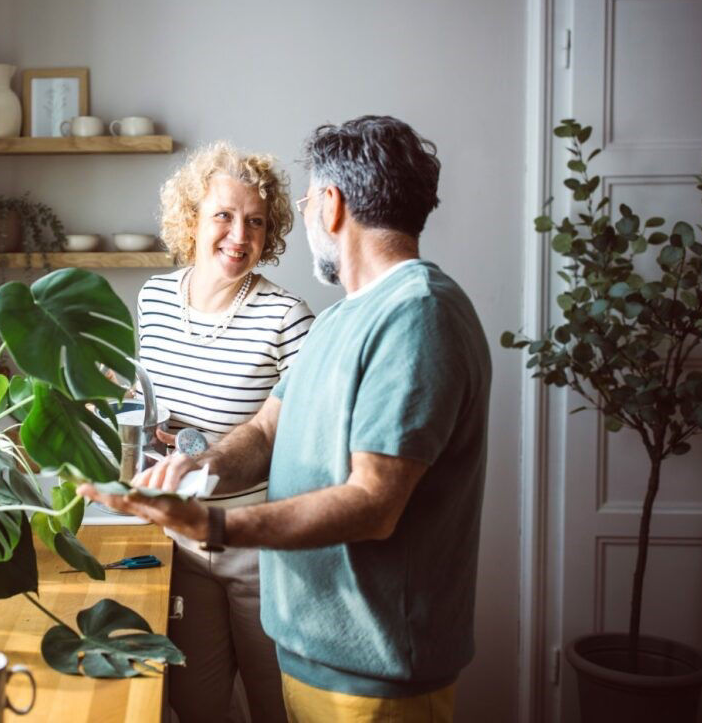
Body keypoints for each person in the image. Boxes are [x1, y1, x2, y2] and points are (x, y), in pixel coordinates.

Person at [87, 116, 491, 723]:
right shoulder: (341, 319)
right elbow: (267, 429)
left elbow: (375, 504)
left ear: (330, 205)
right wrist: (203, 466)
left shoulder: (417, 316)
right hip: (316, 647)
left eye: (297, 205)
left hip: (374, 672)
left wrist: (216, 527)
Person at [138, 142, 314, 723]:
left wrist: (205, 449)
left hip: (258, 546)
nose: (240, 235)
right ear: (191, 219)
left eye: (257, 222)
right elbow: (149, 408)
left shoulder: (287, 317)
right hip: (180, 543)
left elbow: (300, 442)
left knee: (276, 705)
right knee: (195, 705)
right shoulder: (155, 299)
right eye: (224, 215)